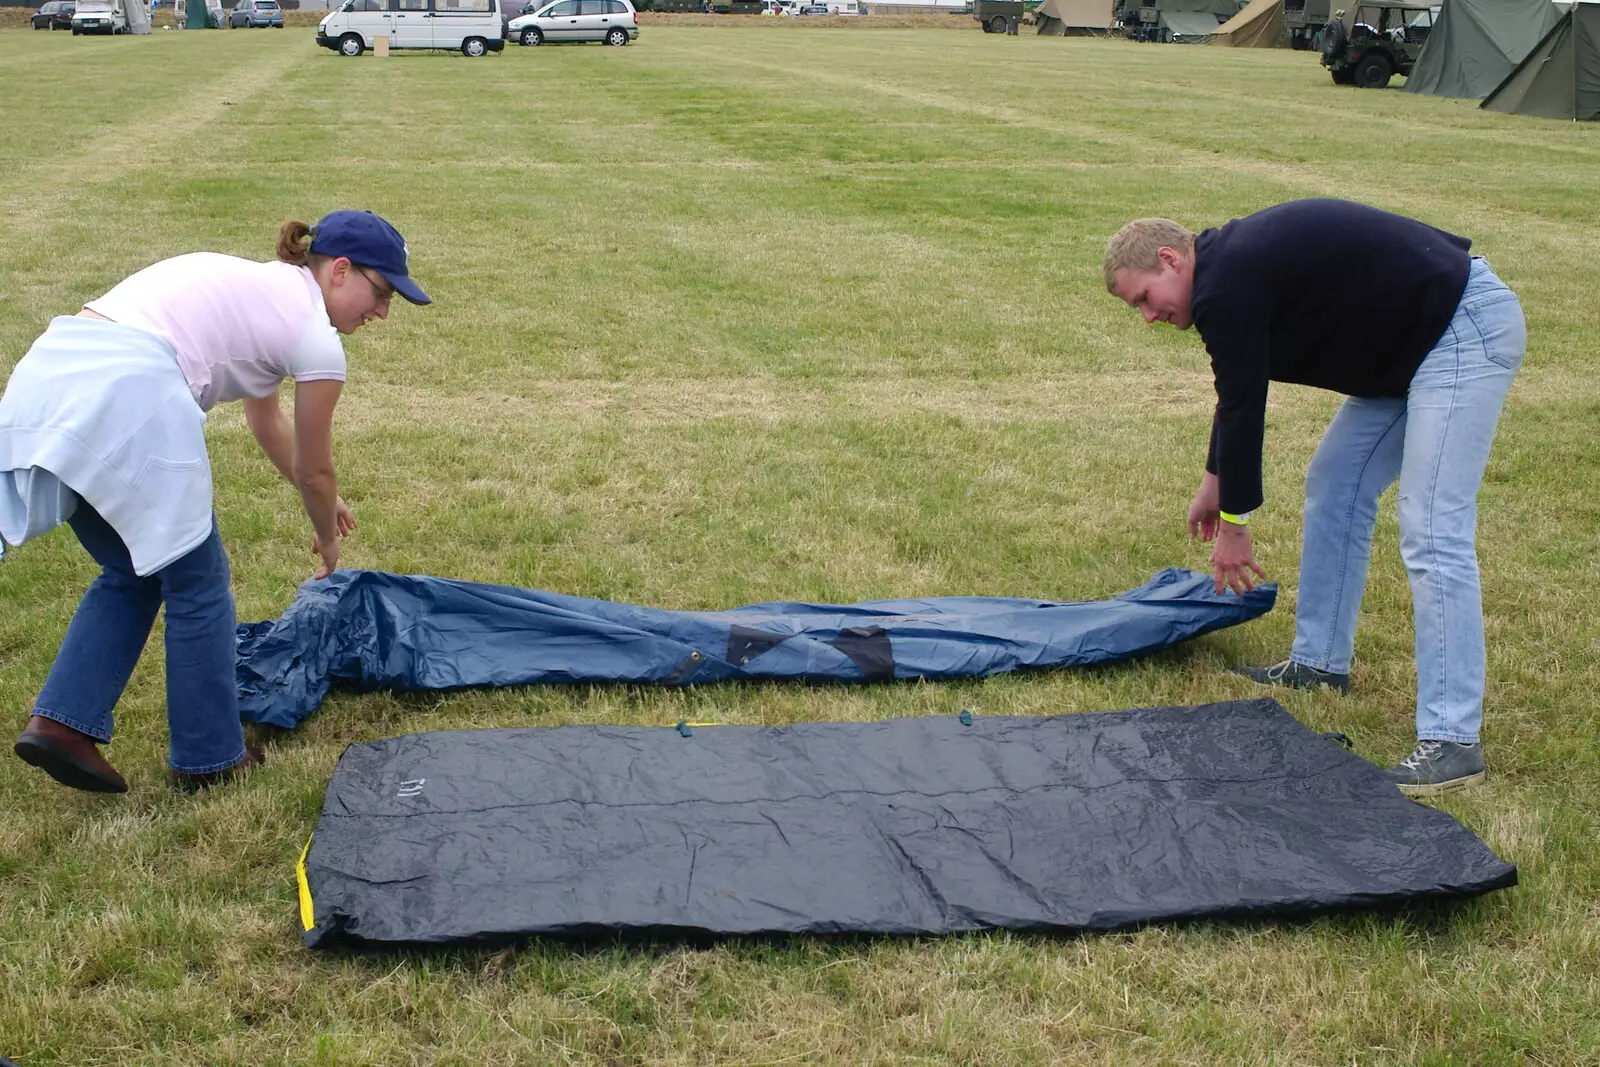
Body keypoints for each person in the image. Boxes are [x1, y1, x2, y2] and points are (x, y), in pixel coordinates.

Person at [1102, 200, 1524, 796]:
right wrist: (1213, 481)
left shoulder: (1226, 280)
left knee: (1433, 528)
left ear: (1170, 259)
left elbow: (1246, 405)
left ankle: (1453, 739)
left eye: (1143, 298)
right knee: (1336, 483)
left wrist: (1233, 523)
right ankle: (1320, 663)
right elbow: (1237, 389)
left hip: (1459, 328)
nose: (1146, 316)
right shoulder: (1226, 274)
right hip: (1406, 349)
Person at [1, 210, 430, 794]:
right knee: (198, 584)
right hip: (131, 387)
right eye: (380, 293)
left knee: (132, 569)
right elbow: (315, 464)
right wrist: (327, 533)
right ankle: (210, 761)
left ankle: (61, 726)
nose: (381, 312)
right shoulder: (316, 336)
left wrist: (326, 498)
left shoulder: (265, 292)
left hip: (51, 374)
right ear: (340, 270)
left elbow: (268, 423)